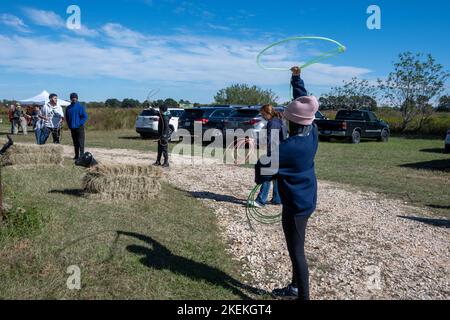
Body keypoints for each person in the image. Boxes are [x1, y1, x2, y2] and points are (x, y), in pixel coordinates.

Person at [255, 66, 319, 300]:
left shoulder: (288, 148)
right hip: (307, 198)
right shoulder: (312, 131)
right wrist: (296, 79)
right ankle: (294, 288)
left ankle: (302, 296)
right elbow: (303, 103)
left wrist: (267, 172)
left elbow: (261, 172)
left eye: (287, 120)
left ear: (291, 123)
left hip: (295, 207)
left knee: (297, 253)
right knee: (297, 248)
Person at [249, 104, 287, 208]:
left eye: (263, 114)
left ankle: (260, 201)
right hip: (281, 151)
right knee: (276, 176)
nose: (262, 117)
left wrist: (255, 141)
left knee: (266, 175)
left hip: (275, 152)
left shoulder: (273, 122)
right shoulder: (280, 120)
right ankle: (277, 198)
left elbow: (271, 140)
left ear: (267, 113)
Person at [65, 93, 88, 160]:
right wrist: (69, 125)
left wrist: (80, 123)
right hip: (72, 128)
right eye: (72, 97)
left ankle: (81, 156)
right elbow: (67, 117)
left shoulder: (80, 107)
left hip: (79, 128)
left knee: (81, 142)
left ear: (77, 98)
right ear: (70, 99)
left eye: (75, 97)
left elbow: (85, 117)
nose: (74, 98)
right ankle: (76, 156)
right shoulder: (68, 108)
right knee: (75, 143)